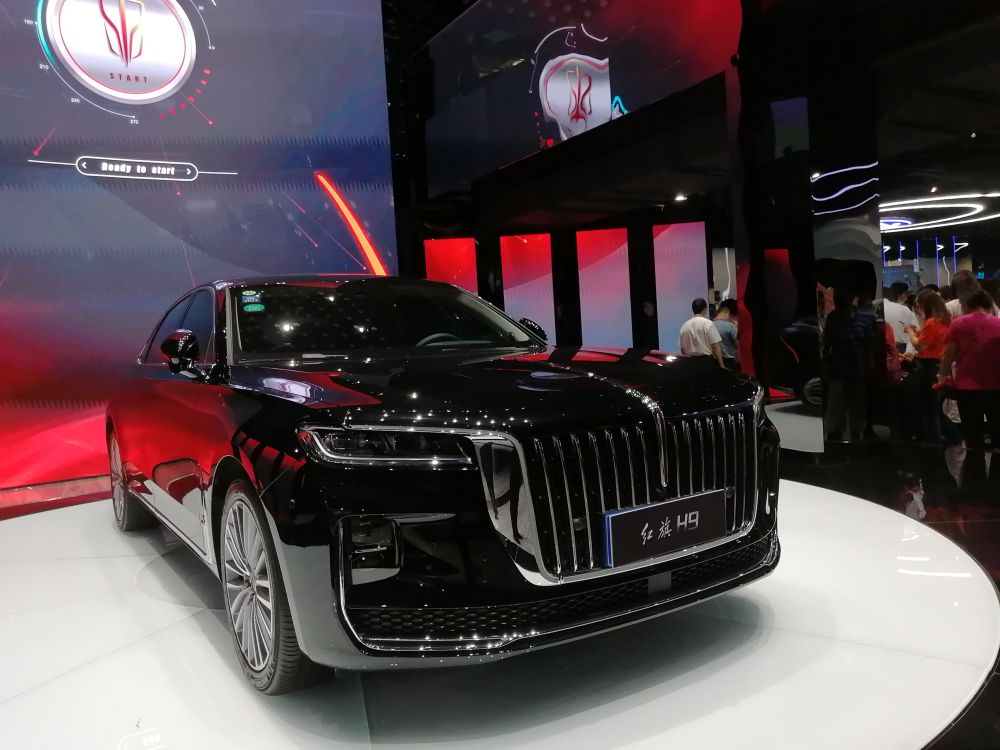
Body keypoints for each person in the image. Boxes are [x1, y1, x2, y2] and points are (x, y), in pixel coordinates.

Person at [939, 289, 1000, 502]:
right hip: (996, 386)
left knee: (972, 434)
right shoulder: (998, 324)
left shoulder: (958, 324)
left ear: (967, 306)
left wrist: (942, 376)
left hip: (967, 387)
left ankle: (974, 482)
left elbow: (949, 355)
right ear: (988, 305)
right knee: (997, 432)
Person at [824, 288, 874, 442]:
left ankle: (855, 441)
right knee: (836, 416)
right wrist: (826, 368)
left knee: (857, 415)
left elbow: (869, 347)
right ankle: (836, 442)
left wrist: (870, 369)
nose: (837, 297)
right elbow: (827, 345)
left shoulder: (866, 319)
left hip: (859, 373)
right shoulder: (832, 318)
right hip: (838, 373)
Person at [904, 289, 953, 443]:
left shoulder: (932, 322)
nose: (918, 310)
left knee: (931, 408)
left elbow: (920, 346)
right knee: (936, 407)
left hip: (928, 366)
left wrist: (910, 332)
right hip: (939, 364)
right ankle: (952, 438)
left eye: (919, 307)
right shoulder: (945, 320)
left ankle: (935, 441)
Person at [679, 298, 723, 367]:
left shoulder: (684, 326)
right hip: (706, 362)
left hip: (689, 363)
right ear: (705, 309)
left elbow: (682, 349)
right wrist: (721, 364)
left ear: (693, 309)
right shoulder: (708, 323)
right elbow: (715, 346)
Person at [883, 282, 918, 355]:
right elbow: (915, 332)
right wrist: (909, 353)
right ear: (903, 295)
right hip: (900, 350)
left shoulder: (878, 307)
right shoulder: (905, 309)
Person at [713, 299, 740, 370]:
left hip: (714, 360)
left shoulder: (709, 324)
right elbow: (737, 344)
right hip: (730, 360)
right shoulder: (731, 326)